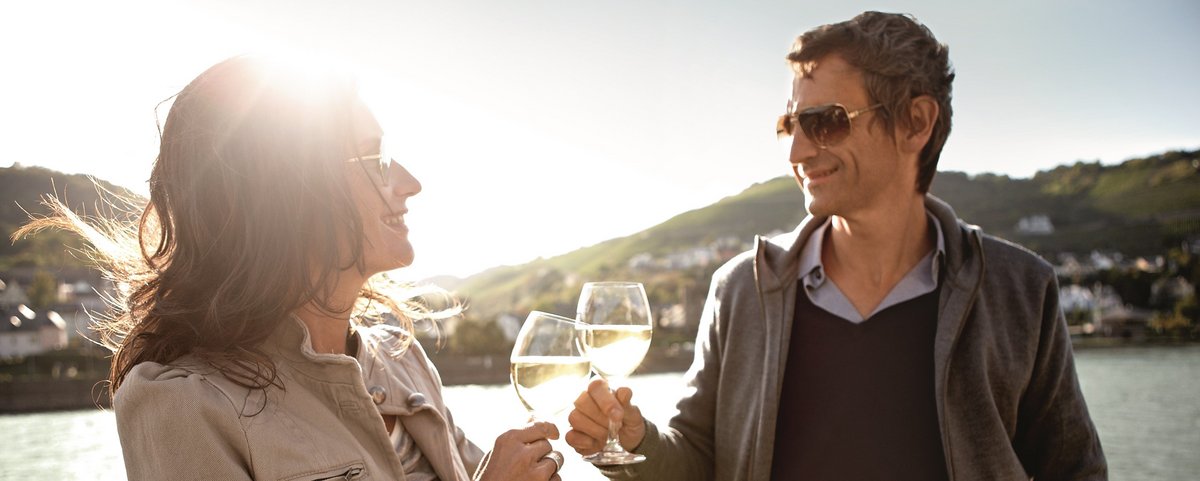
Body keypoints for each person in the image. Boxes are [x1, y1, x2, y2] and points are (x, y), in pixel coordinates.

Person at [566, 11, 1107, 481]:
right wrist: (634, 442)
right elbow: (696, 462)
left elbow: (1074, 470)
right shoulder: (741, 290)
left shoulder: (1021, 289)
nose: (798, 150)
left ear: (916, 123)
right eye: (790, 125)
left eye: (825, 122)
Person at [17, 56, 563, 481]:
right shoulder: (184, 404)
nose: (409, 181)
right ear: (287, 194)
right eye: (373, 159)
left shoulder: (400, 360)